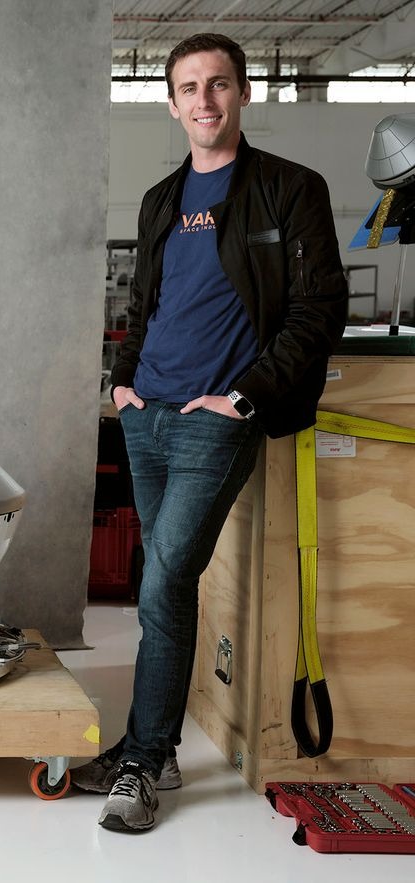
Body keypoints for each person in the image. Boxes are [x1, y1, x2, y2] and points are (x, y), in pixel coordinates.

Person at [73, 33, 347, 832]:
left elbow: (316, 309)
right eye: (189, 87)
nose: (205, 100)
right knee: (165, 587)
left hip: (212, 422)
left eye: (219, 84)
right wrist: (121, 385)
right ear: (171, 102)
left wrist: (246, 397)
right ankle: (154, 752)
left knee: (160, 582)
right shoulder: (162, 199)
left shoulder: (290, 189)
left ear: (243, 94)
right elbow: (144, 305)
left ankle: (139, 760)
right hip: (147, 415)